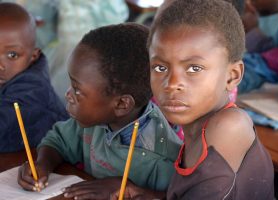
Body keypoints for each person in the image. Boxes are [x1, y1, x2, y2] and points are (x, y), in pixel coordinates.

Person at [113, 0, 275, 199]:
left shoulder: (229, 126)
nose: (172, 83)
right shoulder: (196, 128)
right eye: (160, 68)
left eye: (194, 68)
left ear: (232, 76)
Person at [17, 23, 182, 199]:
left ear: (121, 105)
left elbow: (177, 195)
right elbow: (58, 142)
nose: (68, 95)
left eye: (77, 90)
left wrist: (131, 191)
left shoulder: (162, 158)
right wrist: (42, 164)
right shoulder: (93, 121)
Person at [0, 2, 67, 153]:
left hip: (56, 162)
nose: (1, 65)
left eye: (12, 55)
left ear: (33, 55)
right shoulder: (8, 75)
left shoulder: (33, 88)